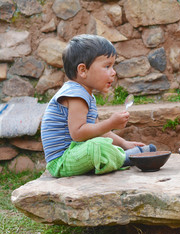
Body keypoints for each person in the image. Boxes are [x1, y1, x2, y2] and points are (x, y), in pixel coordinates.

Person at [41, 34, 156, 178]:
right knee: (97, 146)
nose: (113, 72)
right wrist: (110, 123)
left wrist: (124, 143)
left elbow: (96, 130)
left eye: (113, 66)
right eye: (107, 66)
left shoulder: (86, 95)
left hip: (76, 154)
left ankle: (125, 153)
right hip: (62, 161)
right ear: (83, 70)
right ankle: (127, 158)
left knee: (99, 143)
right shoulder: (75, 94)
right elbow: (78, 134)